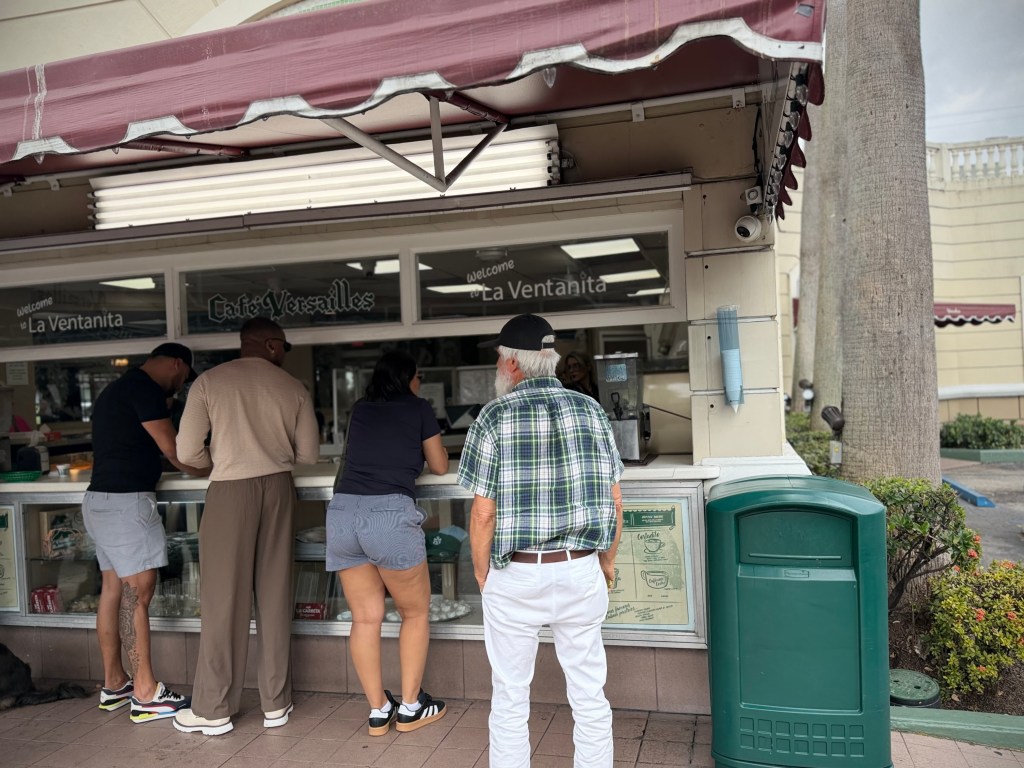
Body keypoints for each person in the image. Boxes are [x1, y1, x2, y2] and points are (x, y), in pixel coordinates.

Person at [457, 314, 624, 768]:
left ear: (512, 364)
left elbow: (483, 511)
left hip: (517, 573)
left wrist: (481, 572)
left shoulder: (493, 416)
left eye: (498, 357)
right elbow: (614, 501)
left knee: (510, 696)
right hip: (581, 565)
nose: (498, 364)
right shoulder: (590, 410)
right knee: (590, 693)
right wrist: (606, 561)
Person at [172, 317, 320, 736]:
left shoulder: (209, 383)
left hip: (230, 489)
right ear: (271, 345)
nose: (284, 354)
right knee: (274, 596)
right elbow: (308, 453)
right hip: (279, 489)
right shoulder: (292, 387)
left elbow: (187, 450)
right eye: (284, 347)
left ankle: (215, 708)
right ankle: (277, 702)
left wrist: (213, 463)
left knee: (224, 600)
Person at [81, 343, 207, 723]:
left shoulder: (117, 389)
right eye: (183, 377)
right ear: (176, 364)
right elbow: (173, 449)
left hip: (99, 501)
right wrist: (210, 469)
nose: (180, 384)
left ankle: (115, 683)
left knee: (114, 590)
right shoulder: (145, 390)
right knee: (136, 597)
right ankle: (147, 693)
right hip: (126, 504)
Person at [327, 350, 449, 735]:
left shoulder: (361, 408)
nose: (419, 382)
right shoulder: (419, 408)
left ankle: (379, 711)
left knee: (365, 618)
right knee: (413, 613)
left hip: (344, 513)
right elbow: (441, 465)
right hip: (389, 516)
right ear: (408, 378)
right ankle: (412, 707)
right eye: (418, 376)